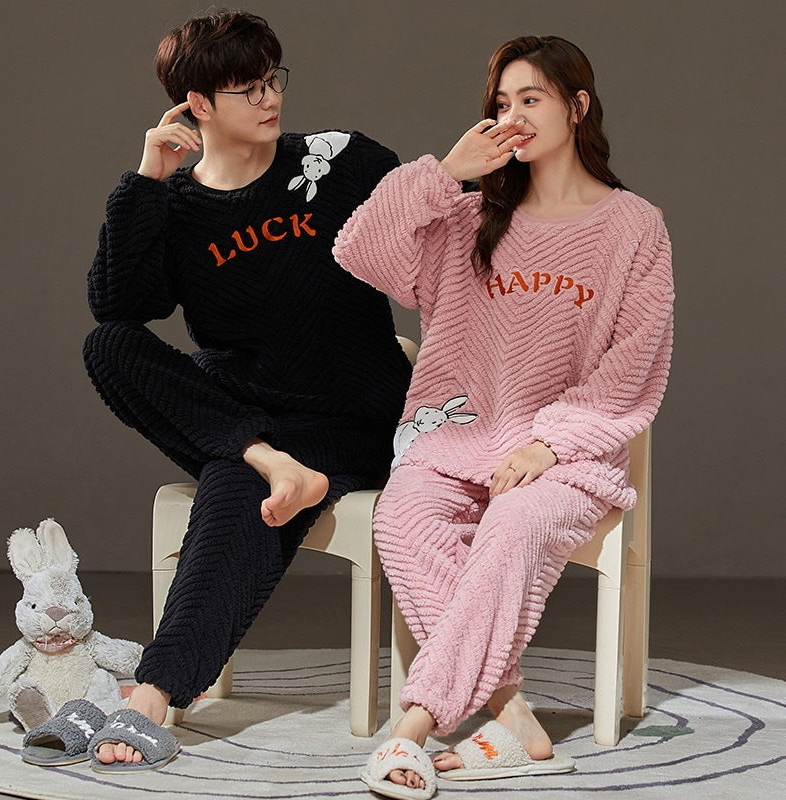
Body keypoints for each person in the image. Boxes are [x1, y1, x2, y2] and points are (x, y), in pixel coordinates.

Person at [334, 35, 674, 798]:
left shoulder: (633, 227)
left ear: (577, 107)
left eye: (531, 99)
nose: (513, 116)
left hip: (565, 457)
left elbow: (634, 362)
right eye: (501, 103)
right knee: (401, 519)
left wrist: (549, 445)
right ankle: (515, 718)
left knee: (513, 524)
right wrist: (445, 171)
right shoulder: (465, 217)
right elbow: (358, 247)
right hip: (454, 438)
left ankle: (412, 727)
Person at [81, 10, 411, 771]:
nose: (270, 99)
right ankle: (270, 462)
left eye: (271, 80)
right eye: (246, 89)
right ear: (197, 104)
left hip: (355, 418)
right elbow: (118, 306)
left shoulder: (340, 161)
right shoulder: (176, 207)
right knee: (110, 348)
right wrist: (145, 181)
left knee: (234, 483)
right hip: (251, 419)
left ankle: (154, 693)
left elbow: (434, 220)